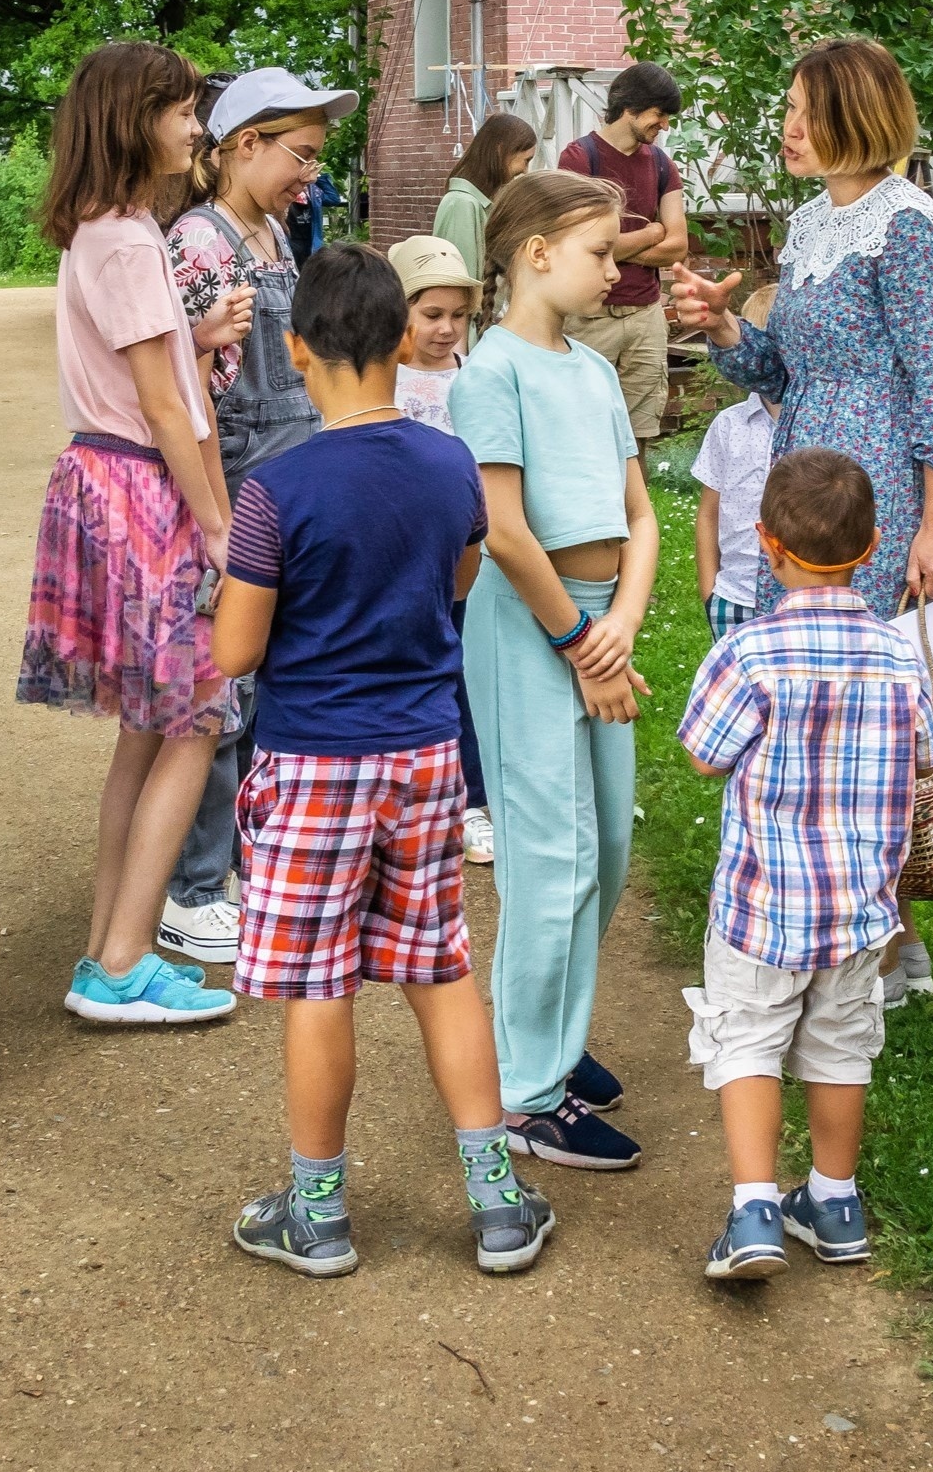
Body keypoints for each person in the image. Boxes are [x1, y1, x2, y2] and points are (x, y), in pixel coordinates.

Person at [214, 245, 554, 1278]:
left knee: (320, 985)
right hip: (421, 753)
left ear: (294, 348)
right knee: (439, 968)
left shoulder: (275, 490)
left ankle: (315, 1213)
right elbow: (455, 576)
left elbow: (235, 648)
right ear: (404, 341)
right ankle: (497, 1199)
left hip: (314, 757)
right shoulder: (449, 463)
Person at [669, 37, 933, 1009]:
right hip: (797, 477)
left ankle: (876, 946)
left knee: (853, 717)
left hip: (870, 492)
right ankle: (892, 941)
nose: (786, 125)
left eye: (802, 107)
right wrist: (725, 333)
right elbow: (782, 374)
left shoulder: (906, 226)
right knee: (809, 711)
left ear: (853, 113)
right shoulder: (807, 225)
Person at [675, 447, 933, 1280]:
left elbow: (704, 757)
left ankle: (754, 1208)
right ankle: (833, 1199)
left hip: (762, 903)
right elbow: (927, 755)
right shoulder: (900, 655)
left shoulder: (749, 652)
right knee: (840, 1045)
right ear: (872, 549)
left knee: (747, 1037)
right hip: (861, 908)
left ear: (768, 544)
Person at [17, 42, 238, 1027]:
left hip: (108, 481)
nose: (197, 128)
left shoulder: (99, 231)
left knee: (147, 733)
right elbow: (162, 400)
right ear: (133, 119)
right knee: (193, 721)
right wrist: (221, 525)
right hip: (147, 493)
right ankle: (120, 961)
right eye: (183, 111)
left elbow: (154, 371)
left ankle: (111, 939)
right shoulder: (132, 239)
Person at [452, 169, 660, 1172]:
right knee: (549, 863)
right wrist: (578, 644)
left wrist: (617, 620)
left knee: (605, 851)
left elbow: (641, 515)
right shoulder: (489, 372)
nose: (615, 271)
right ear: (536, 252)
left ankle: (555, 1041)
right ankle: (526, 1094)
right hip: (531, 631)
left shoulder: (589, 370)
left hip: (597, 629)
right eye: (601, 253)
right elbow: (501, 530)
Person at [160, 65, 360, 968]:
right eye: (302, 155)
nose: (310, 174)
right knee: (219, 683)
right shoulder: (198, 243)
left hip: (284, 478)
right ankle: (193, 888)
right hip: (235, 483)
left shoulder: (272, 230)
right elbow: (182, 391)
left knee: (265, 673)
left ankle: (241, 859)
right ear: (245, 144)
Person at [386, 234, 494, 866]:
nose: (447, 328)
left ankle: (472, 799)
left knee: (462, 676)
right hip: (398, 559)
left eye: (458, 315)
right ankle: (403, 799)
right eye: (431, 315)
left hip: (462, 558)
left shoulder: (474, 375)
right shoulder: (381, 379)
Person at [558, 62, 689, 461]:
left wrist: (612, 244)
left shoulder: (662, 165)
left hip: (646, 317)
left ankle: (635, 520)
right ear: (630, 109)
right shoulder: (580, 158)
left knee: (640, 435)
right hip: (590, 316)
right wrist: (650, 233)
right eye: (658, 114)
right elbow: (574, 243)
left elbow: (678, 244)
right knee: (579, 429)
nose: (664, 125)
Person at [693, 289, 779, 644]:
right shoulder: (729, 425)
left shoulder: (816, 424)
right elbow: (709, 513)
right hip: (735, 597)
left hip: (799, 600)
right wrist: (709, 590)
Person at [431, 113, 537, 299]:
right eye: (526, 160)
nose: (525, 171)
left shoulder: (475, 203)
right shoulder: (462, 205)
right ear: (501, 150)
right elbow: (460, 290)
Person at [284, 167, 345, 264]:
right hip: (292, 240)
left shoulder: (313, 193)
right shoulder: (286, 192)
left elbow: (333, 199)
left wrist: (318, 177)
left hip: (311, 242)